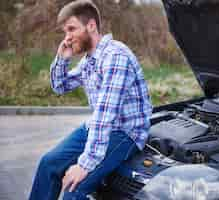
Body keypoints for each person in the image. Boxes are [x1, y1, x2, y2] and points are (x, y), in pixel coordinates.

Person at [28, 0, 152, 199]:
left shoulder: (116, 57)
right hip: (98, 126)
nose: (67, 38)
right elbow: (60, 86)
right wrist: (62, 58)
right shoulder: (90, 60)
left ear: (91, 26)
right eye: (64, 32)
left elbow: (105, 116)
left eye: (71, 29)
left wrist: (84, 165)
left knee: (74, 187)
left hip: (125, 133)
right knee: (48, 163)